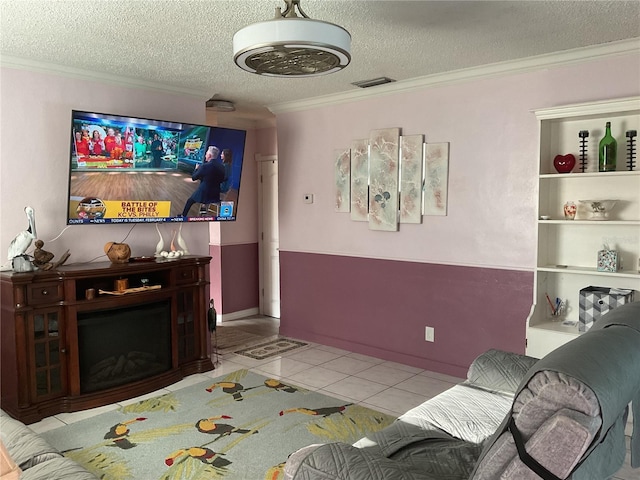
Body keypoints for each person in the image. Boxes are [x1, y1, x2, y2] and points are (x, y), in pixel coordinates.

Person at [181, 146, 226, 216]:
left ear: (209, 155)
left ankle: (183, 216)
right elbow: (221, 179)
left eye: (206, 153)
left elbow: (193, 178)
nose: (205, 155)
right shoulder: (222, 167)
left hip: (204, 194)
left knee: (190, 201)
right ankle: (203, 211)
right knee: (205, 196)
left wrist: (196, 169)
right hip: (215, 195)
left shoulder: (205, 166)